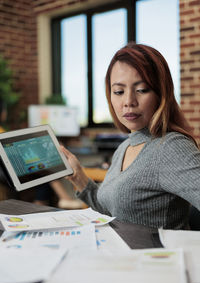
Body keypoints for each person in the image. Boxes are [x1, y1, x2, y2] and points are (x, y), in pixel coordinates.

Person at [61, 42, 200, 230]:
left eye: (141, 90)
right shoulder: (124, 147)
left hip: (155, 258)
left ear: (161, 93)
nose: (128, 101)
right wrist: (80, 179)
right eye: (119, 91)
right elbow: (113, 213)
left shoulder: (171, 147)